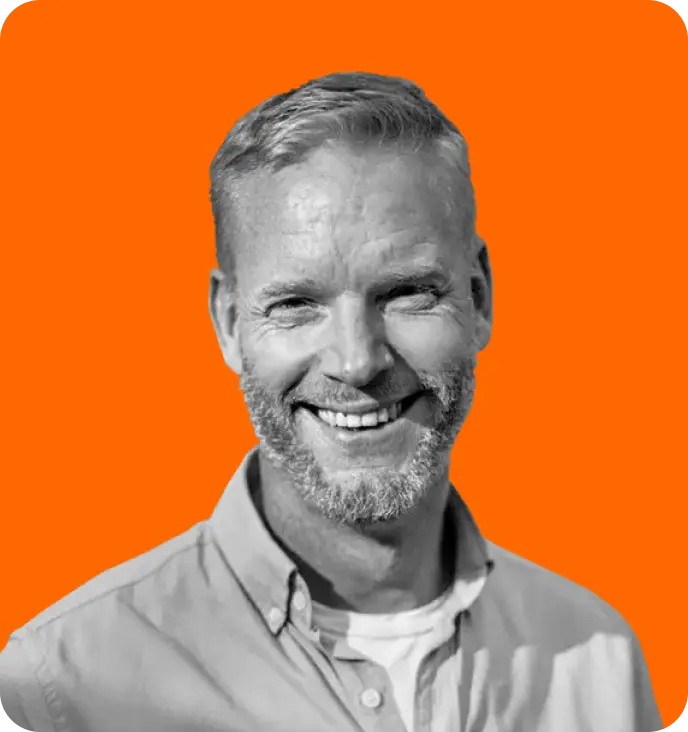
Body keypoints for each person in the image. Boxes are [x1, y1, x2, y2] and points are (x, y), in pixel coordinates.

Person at [0, 72, 663, 732]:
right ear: (228, 323)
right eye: (296, 304)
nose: (356, 361)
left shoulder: (599, 664)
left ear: (480, 297)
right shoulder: (60, 692)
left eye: (406, 292)